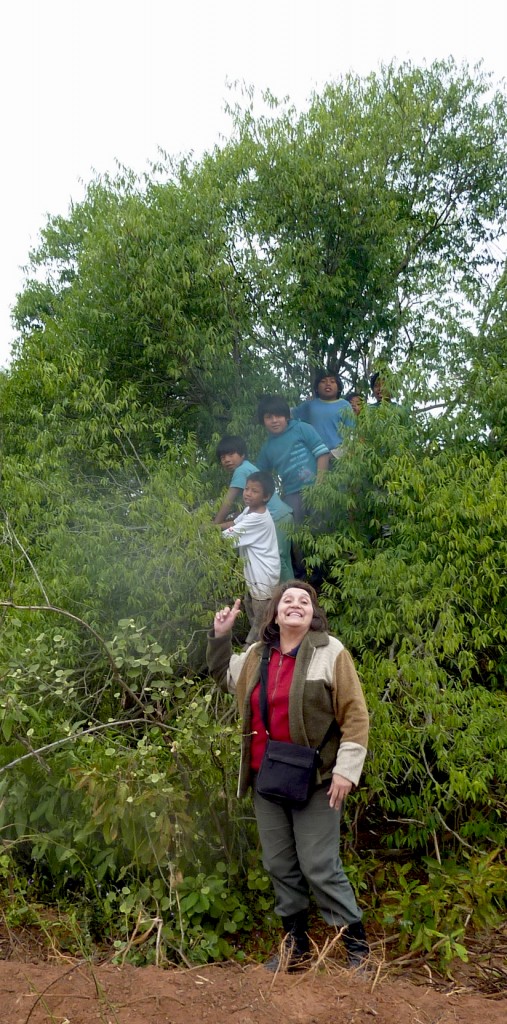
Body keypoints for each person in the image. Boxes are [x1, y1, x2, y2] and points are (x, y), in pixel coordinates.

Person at [207, 580, 370, 971]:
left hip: (318, 780)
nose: (296, 604)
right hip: (268, 778)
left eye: (304, 601)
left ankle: (357, 951)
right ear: (275, 613)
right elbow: (221, 676)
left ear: (313, 614)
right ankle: (295, 949)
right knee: (280, 865)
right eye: (287, 600)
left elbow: (355, 714)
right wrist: (220, 636)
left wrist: (347, 771)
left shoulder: (331, 652)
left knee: (319, 865)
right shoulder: (256, 655)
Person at [214, 435, 294, 581]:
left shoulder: (241, 470)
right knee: (283, 559)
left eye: (231, 454)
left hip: (276, 517)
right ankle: (288, 593)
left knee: (278, 560)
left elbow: (228, 501)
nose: (226, 460)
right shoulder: (247, 468)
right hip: (283, 514)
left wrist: (214, 525)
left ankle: (288, 595)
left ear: (242, 454)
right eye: (222, 457)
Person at [219, 471, 280, 645]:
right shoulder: (249, 510)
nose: (248, 493)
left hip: (263, 577)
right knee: (251, 608)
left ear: (266, 496)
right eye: (247, 489)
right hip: (255, 576)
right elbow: (234, 524)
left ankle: (251, 651)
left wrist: (206, 534)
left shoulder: (257, 519)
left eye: (254, 491)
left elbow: (228, 537)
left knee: (261, 623)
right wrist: (209, 527)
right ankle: (258, 648)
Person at [256, 396, 330, 525]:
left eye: (278, 416)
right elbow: (259, 477)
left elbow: (322, 454)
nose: (274, 421)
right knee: (296, 535)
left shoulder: (301, 428)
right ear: (262, 421)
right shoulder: (266, 448)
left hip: (317, 487)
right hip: (292, 494)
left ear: (286, 416)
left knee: (323, 527)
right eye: (269, 417)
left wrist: (320, 485)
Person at [292, 370, 355, 456]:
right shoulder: (310, 405)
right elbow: (289, 414)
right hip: (313, 455)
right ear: (317, 388)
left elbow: (351, 434)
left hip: (338, 456)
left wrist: (336, 454)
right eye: (323, 381)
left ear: (339, 388)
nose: (328, 384)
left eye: (332, 381)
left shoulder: (345, 405)